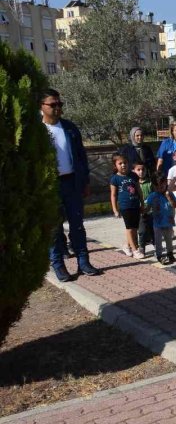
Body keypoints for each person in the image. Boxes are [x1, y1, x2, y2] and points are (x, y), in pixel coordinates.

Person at [41, 89, 101, 281]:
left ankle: (83, 262)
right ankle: (58, 265)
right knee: (54, 228)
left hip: (72, 183)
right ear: (41, 107)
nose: (58, 108)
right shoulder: (38, 131)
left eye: (60, 104)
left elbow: (81, 157)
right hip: (50, 187)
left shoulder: (69, 128)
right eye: (53, 105)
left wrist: (85, 182)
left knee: (77, 225)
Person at [109, 155, 144, 259]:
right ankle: (134, 249)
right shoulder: (114, 179)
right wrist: (115, 209)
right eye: (120, 163)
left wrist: (142, 203)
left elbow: (139, 190)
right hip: (125, 206)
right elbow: (113, 195)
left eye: (125, 162)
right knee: (129, 228)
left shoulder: (133, 175)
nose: (123, 165)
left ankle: (126, 245)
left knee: (134, 228)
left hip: (135, 204)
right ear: (115, 165)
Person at [146, 176, 176, 265]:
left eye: (162, 186)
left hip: (168, 221)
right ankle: (159, 255)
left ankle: (170, 253)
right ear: (154, 186)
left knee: (169, 240)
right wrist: (143, 210)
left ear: (165, 184)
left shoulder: (170, 194)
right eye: (157, 187)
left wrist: (168, 197)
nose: (160, 189)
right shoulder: (152, 196)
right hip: (157, 222)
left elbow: (174, 205)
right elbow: (148, 208)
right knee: (158, 241)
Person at [134, 162, 154, 257]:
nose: (141, 172)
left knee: (153, 230)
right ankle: (141, 248)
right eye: (138, 170)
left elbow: (155, 195)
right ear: (134, 171)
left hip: (151, 211)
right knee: (141, 231)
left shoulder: (150, 182)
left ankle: (157, 247)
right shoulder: (134, 183)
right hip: (140, 212)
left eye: (143, 169)